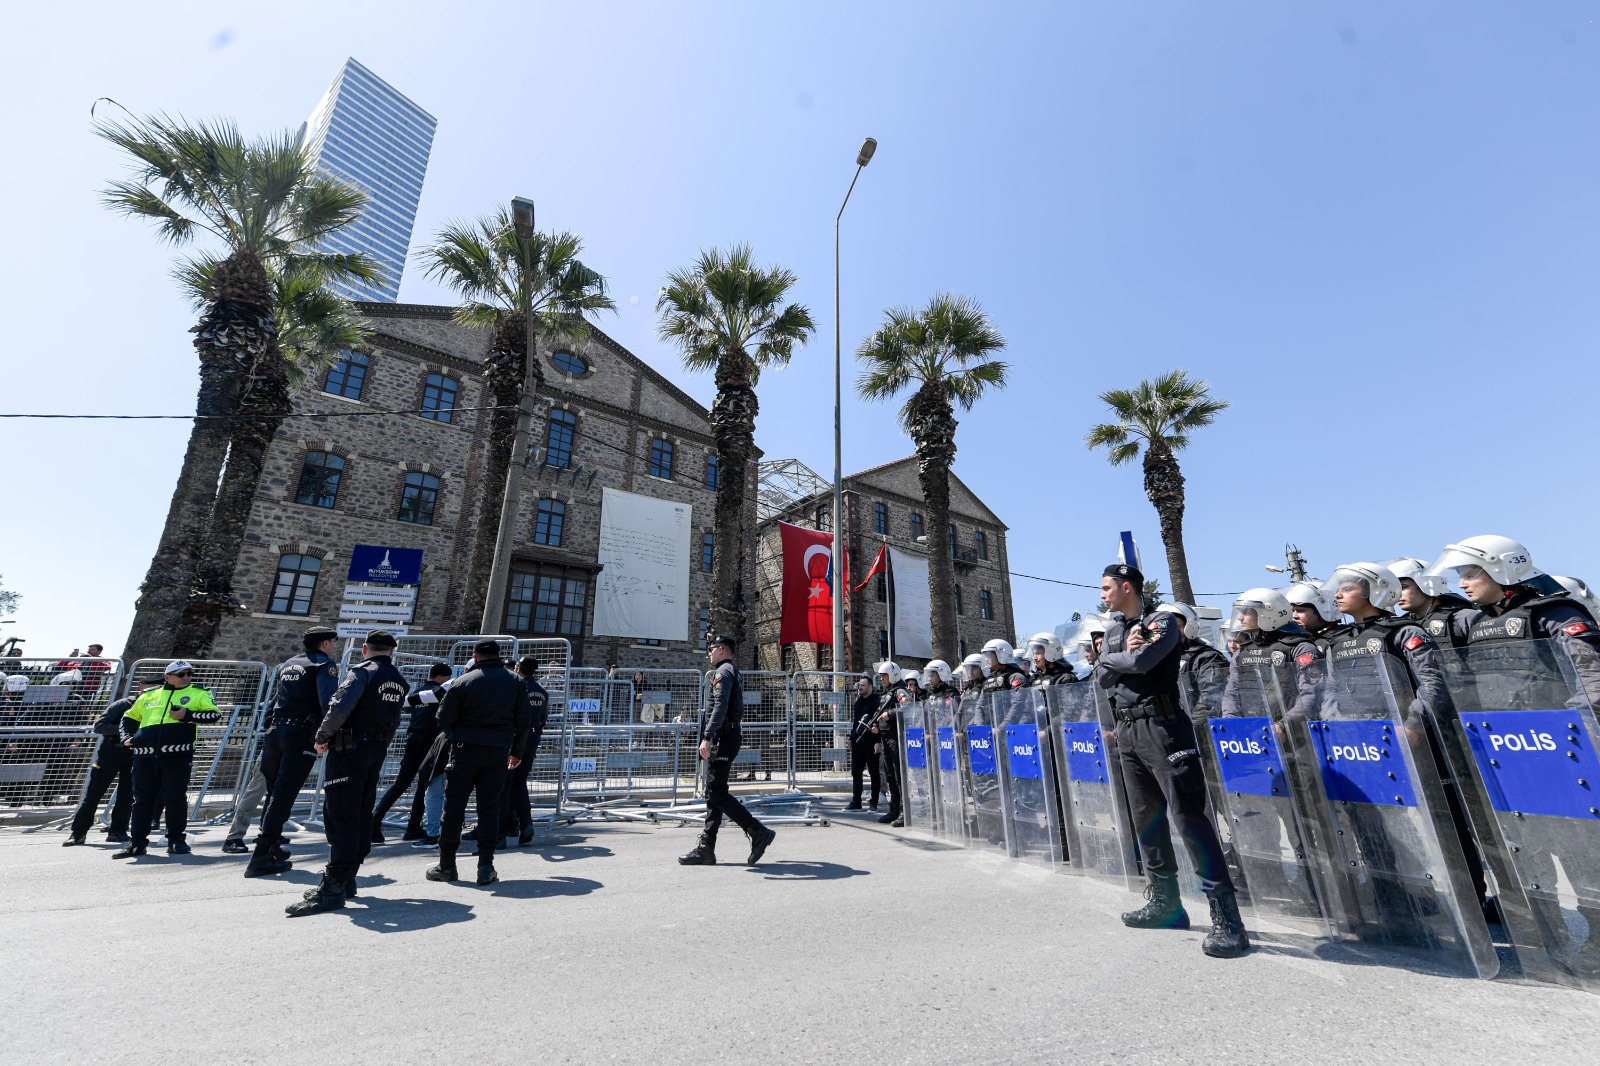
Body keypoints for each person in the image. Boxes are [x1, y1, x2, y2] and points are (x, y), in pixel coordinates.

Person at [1094, 563, 1248, 958]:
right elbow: (1101, 677)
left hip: (1163, 728)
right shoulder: (1113, 630)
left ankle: (1227, 918)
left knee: (1188, 816)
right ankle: (1166, 903)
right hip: (1127, 732)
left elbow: (1142, 664)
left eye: (1108, 588)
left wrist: (1122, 659)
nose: (1103, 595)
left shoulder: (1162, 621)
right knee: (1146, 819)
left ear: (1127, 587)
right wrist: (1118, 656)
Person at [286, 631, 408, 917]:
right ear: (393, 651)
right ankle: (347, 877)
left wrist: (322, 736)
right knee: (361, 812)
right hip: (374, 752)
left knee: (340, 814)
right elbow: (394, 720)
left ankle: (334, 886)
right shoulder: (399, 680)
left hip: (349, 751)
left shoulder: (362, 673)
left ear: (364, 649)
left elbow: (339, 707)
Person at [1423, 535, 1600, 703]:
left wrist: (1581, 723)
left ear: (1500, 570)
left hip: (1558, 728)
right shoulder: (1478, 622)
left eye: (1469, 576)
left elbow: (1592, 676)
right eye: (1461, 577)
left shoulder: (1553, 613)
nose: (1462, 584)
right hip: (1496, 730)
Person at [426, 640, 531, 887]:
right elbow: (524, 721)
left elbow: (442, 717)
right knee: (489, 807)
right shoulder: (514, 681)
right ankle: (485, 866)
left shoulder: (463, 682)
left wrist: (459, 730)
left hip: (464, 750)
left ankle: (447, 865)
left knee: (453, 808)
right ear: (498, 655)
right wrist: (516, 752)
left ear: (475, 656)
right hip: (497, 751)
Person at [244, 628, 341, 878]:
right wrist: (325, 735)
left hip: (277, 732)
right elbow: (327, 702)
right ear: (324, 644)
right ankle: (261, 856)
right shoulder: (324, 665)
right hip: (300, 734)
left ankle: (272, 846)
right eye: (332, 642)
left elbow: (277, 698)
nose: (333, 647)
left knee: (274, 791)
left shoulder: (289, 664)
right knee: (284, 795)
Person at [679, 634, 776, 866]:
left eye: (711, 649)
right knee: (714, 793)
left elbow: (720, 706)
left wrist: (708, 736)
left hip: (723, 738)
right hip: (726, 736)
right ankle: (706, 848)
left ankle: (756, 830)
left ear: (721, 650)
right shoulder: (729, 670)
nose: (709, 653)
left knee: (716, 793)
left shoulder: (723, 672)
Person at [113, 661, 222, 858]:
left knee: (175, 798)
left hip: (177, 755)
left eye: (189, 673)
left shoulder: (200, 693)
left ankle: (176, 841)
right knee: (141, 801)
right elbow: (128, 718)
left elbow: (214, 715)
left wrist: (186, 715)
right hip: (144, 756)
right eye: (181, 674)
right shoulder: (149, 694)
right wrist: (126, 738)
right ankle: (136, 843)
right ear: (167, 677)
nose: (187, 677)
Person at [64, 679, 159, 846]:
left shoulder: (156, 708)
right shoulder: (123, 704)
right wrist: (127, 732)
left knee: (127, 795)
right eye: (149, 687)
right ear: (140, 688)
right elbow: (100, 725)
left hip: (137, 755)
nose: (151, 690)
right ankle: (78, 833)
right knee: (94, 794)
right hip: (112, 752)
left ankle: (118, 831)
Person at [370, 662, 452, 843]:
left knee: (401, 783)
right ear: (441, 677)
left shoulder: (417, 693)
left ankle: (374, 821)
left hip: (413, 739)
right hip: (431, 742)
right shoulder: (440, 693)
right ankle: (413, 826)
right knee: (424, 786)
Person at [1220, 588, 1320, 717]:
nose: (1240, 617)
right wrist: (1231, 720)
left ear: (1268, 614)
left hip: (1293, 732)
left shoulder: (1301, 649)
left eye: (1247, 611)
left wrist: (1284, 725)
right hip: (1250, 730)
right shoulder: (1242, 653)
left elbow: (1310, 693)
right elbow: (1231, 692)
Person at [498, 655, 550, 847]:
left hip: (515, 740)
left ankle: (501, 831)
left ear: (518, 668)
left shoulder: (517, 687)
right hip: (533, 738)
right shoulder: (542, 691)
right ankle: (526, 823)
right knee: (519, 784)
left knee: (504, 785)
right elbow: (544, 717)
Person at [1156, 603, 1229, 725]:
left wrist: (1188, 726)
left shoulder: (1206, 657)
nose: (1169, 632)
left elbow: (1210, 699)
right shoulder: (1154, 659)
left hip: (1197, 733)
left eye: (1176, 626)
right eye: (1164, 627)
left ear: (1189, 628)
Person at [1388, 558, 1480, 648]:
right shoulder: (1400, 628)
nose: (1396, 594)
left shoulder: (1466, 618)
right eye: (1393, 590)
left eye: (1403, 587)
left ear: (1426, 584)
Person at [873, 661, 906, 826]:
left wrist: (890, 714)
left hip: (896, 738)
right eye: (880, 676)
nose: (882, 679)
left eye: (884, 676)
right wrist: (876, 726)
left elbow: (907, 707)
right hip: (885, 738)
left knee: (899, 776)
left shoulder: (900, 691)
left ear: (893, 675)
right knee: (890, 776)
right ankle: (894, 810)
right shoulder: (887, 693)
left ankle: (904, 812)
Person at [846, 675, 881, 811]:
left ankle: (874, 802)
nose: (860, 688)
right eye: (859, 685)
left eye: (863, 685)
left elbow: (879, 724)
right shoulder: (858, 702)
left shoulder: (876, 702)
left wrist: (878, 742)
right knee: (856, 772)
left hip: (871, 744)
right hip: (858, 743)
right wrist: (850, 738)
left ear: (870, 687)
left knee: (874, 773)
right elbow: (855, 723)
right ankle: (856, 801)